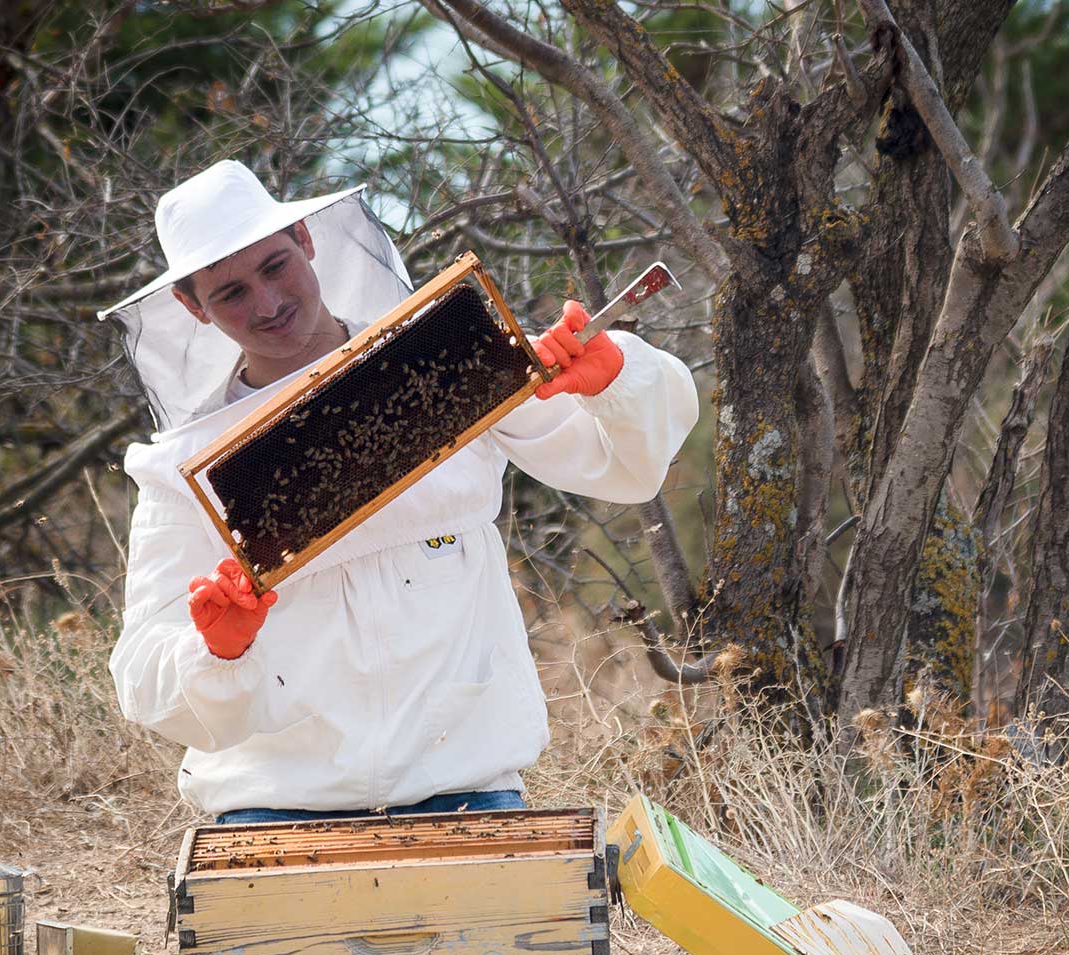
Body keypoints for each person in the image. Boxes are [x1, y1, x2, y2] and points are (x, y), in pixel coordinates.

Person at [98, 160, 698, 825]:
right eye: (232, 292)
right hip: (274, 806)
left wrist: (615, 380)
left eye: (274, 266)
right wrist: (216, 650)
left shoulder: (447, 363)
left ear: (305, 240)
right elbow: (141, 673)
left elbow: (626, 469)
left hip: (466, 781)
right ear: (192, 306)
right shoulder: (185, 469)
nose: (267, 304)